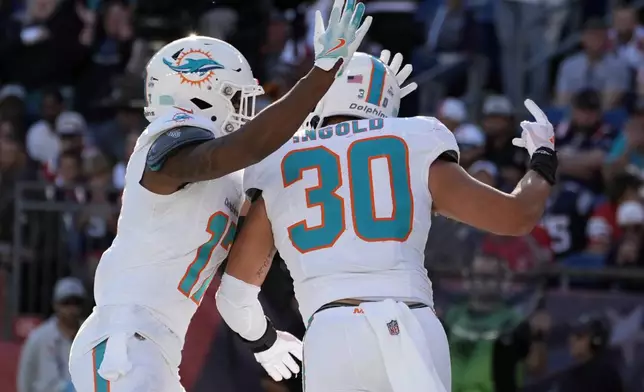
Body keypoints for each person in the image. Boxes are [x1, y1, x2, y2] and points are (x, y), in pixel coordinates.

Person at [68, 1, 373, 391]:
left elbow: (242, 272)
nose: (243, 111)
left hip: (153, 348)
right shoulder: (168, 144)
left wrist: (362, 111)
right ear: (200, 94)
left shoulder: (227, 177)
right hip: (124, 341)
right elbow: (245, 147)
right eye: (235, 97)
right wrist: (319, 76)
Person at [215, 48, 558, 392]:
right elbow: (517, 216)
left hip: (332, 333)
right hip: (411, 324)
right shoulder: (416, 139)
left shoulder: (279, 159)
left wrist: (264, 341)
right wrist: (543, 157)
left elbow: (234, 296)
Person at [17, 277, 86, 392]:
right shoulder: (39, 337)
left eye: (76, 303)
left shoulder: (90, 335)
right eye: (66, 303)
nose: (71, 309)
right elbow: (25, 377)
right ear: (56, 305)